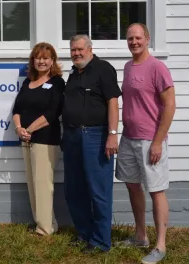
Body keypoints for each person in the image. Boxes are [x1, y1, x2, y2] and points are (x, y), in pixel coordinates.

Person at [115, 23, 175, 264]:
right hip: (128, 138)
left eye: (138, 38)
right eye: (130, 38)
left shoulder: (158, 67)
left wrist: (158, 141)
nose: (134, 42)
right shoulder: (129, 67)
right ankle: (141, 235)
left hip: (151, 139)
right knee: (132, 186)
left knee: (156, 190)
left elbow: (169, 105)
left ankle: (160, 245)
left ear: (147, 39)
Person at [62, 35, 121, 252]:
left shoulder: (103, 69)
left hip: (95, 136)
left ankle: (101, 241)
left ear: (90, 49)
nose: (76, 53)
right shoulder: (74, 73)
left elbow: (113, 102)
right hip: (72, 136)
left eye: (79, 49)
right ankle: (84, 232)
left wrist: (113, 134)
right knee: (74, 189)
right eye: (73, 50)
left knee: (99, 190)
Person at [12, 42, 65, 235]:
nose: (41, 61)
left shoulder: (57, 82)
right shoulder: (28, 82)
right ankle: (45, 223)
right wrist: (19, 128)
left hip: (45, 140)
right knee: (33, 184)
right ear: (33, 60)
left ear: (52, 61)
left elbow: (53, 112)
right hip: (26, 139)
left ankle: (44, 230)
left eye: (45, 58)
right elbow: (17, 109)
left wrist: (30, 129)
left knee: (43, 185)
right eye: (38, 57)